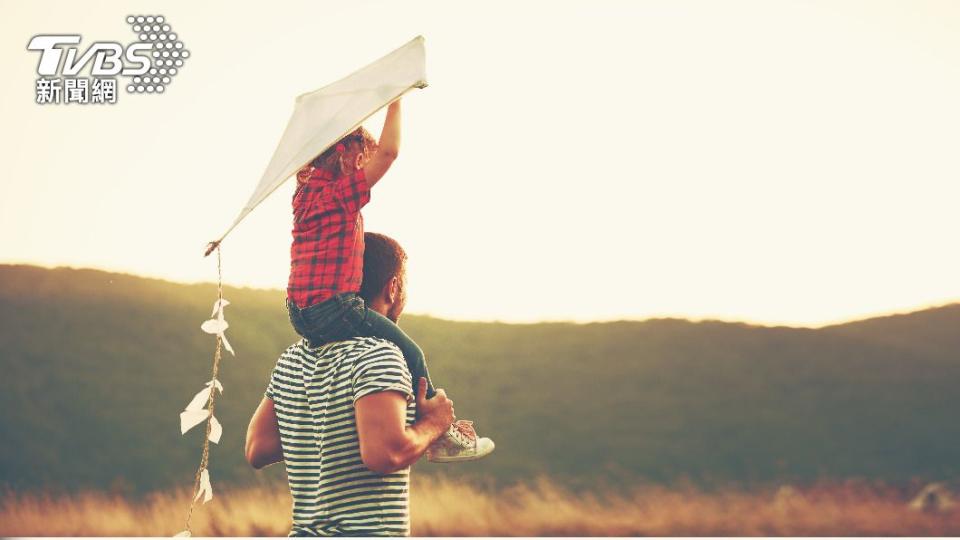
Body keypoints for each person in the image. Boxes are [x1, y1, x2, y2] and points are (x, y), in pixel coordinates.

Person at [245, 232, 494, 536]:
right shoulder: (379, 353)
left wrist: (330, 426)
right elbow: (384, 455)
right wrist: (433, 424)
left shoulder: (292, 359)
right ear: (393, 288)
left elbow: (258, 449)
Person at [284, 99, 492, 460]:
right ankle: (440, 433)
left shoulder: (303, 197)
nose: (367, 164)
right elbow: (390, 152)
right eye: (362, 157)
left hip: (298, 313)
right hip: (335, 307)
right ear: (346, 156)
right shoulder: (339, 195)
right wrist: (394, 100)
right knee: (411, 353)